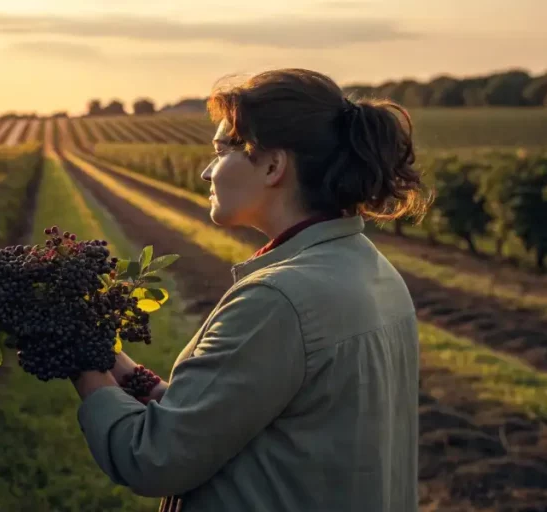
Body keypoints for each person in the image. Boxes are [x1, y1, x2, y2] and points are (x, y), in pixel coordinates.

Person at [70, 68, 430, 511]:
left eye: (221, 151)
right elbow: (227, 413)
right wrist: (113, 361)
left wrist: (76, 358)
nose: (206, 171)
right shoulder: (372, 270)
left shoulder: (278, 300)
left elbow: (152, 458)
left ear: (273, 165)